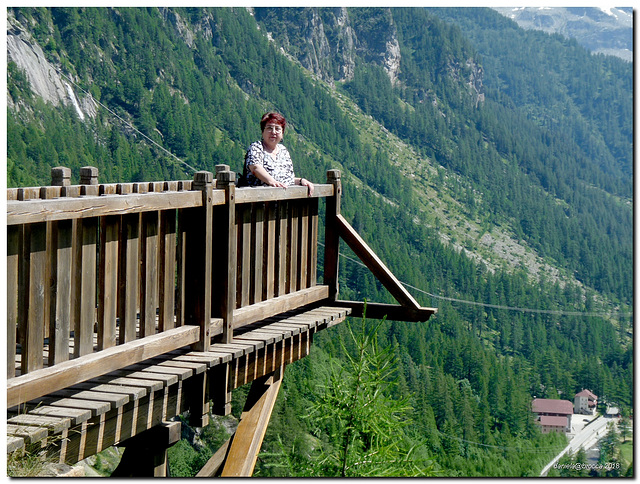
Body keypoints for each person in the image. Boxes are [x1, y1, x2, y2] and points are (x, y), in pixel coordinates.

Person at [242, 112, 314, 196]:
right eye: (269, 128)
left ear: (282, 133)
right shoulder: (256, 147)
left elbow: (288, 180)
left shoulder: (283, 151)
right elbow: (255, 168)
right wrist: (272, 181)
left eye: (277, 128)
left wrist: (300, 181)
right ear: (262, 132)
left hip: (283, 204)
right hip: (259, 203)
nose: (273, 132)